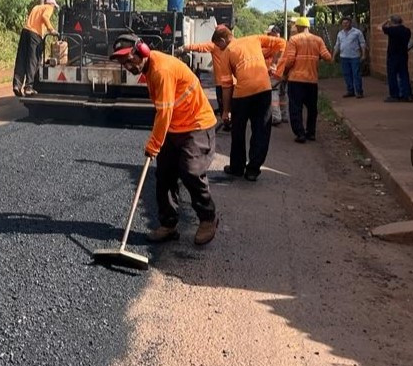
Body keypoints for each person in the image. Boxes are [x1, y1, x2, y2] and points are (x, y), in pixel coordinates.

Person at [110, 37, 219, 245]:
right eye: (122, 63)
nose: (126, 66)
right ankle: (168, 224)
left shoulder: (161, 70)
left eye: (128, 60)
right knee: (164, 175)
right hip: (175, 126)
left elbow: (164, 112)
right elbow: (165, 112)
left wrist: (154, 144)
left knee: (191, 170)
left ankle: (208, 218)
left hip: (197, 125)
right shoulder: (148, 69)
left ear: (142, 51)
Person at [214, 26, 284, 182]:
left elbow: (226, 86)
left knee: (238, 131)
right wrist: (274, 64)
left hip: (242, 94)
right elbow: (282, 43)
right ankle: (253, 170)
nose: (219, 49)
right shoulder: (255, 38)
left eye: (218, 45)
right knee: (261, 130)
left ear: (223, 40)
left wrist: (226, 111)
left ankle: (237, 168)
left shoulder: (226, 53)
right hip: (264, 90)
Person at [280, 17, 332, 143]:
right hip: (312, 80)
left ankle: (300, 133)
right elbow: (328, 57)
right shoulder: (318, 40)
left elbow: (290, 60)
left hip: (296, 79)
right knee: (312, 108)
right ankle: (311, 133)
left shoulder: (294, 39)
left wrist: (285, 74)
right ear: (308, 27)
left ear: (297, 27)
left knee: (296, 107)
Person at [176, 24, 233, 122]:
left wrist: (183, 48)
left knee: (223, 104)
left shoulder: (215, 45)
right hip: (233, 81)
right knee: (230, 104)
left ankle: (227, 121)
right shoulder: (234, 44)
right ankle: (229, 119)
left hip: (221, 82)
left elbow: (200, 47)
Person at [12, 0, 59, 96]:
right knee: (33, 61)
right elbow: (45, 17)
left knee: (21, 58)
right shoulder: (48, 7)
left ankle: (17, 85)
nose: (53, 9)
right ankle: (29, 87)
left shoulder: (36, 7)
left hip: (25, 32)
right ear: (52, 4)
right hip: (35, 35)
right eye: (54, 7)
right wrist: (51, 30)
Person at [381, 15, 413, 102]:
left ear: (392, 22)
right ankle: (407, 95)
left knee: (392, 76)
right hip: (403, 55)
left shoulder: (391, 30)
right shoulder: (407, 30)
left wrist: (387, 21)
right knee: (404, 75)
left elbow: (379, 27)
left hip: (393, 55)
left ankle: (394, 95)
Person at [333, 16, 367, 98]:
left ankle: (359, 91)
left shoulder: (357, 32)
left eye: (347, 23)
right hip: (344, 57)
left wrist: (363, 54)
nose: (345, 24)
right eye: (343, 23)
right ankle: (350, 90)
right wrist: (333, 56)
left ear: (350, 23)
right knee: (346, 74)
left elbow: (362, 43)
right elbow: (337, 45)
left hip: (354, 57)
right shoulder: (340, 33)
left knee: (356, 74)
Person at [264, 25, 287, 126]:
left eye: (269, 34)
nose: (268, 36)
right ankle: (284, 115)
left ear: (274, 33)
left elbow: (263, 53)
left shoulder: (274, 44)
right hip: (283, 74)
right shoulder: (286, 43)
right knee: (282, 95)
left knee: (273, 95)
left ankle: (276, 117)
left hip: (274, 74)